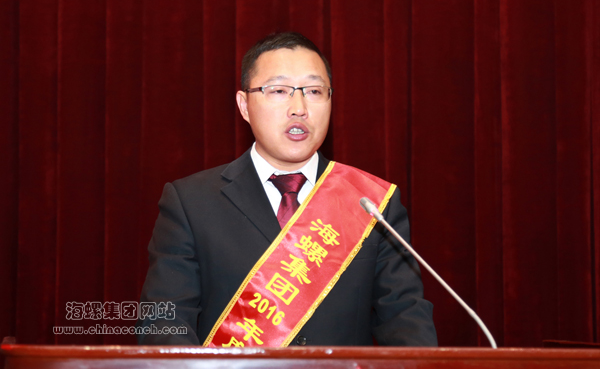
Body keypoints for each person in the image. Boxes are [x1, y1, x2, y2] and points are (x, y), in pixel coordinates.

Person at [137, 32, 437, 346]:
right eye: (279, 90)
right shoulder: (191, 203)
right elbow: (163, 323)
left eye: (314, 91)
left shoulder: (370, 202)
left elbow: (407, 323)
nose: (299, 108)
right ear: (244, 105)